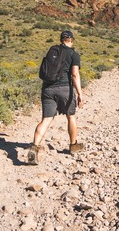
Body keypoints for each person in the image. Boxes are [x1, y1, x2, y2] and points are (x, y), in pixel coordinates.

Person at [28, 30, 84, 164]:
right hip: (65, 89)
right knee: (71, 116)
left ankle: (34, 148)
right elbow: (75, 74)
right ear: (71, 40)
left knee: (46, 120)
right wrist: (80, 94)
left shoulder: (52, 50)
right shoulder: (74, 54)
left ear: (61, 40)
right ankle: (73, 146)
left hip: (47, 89)